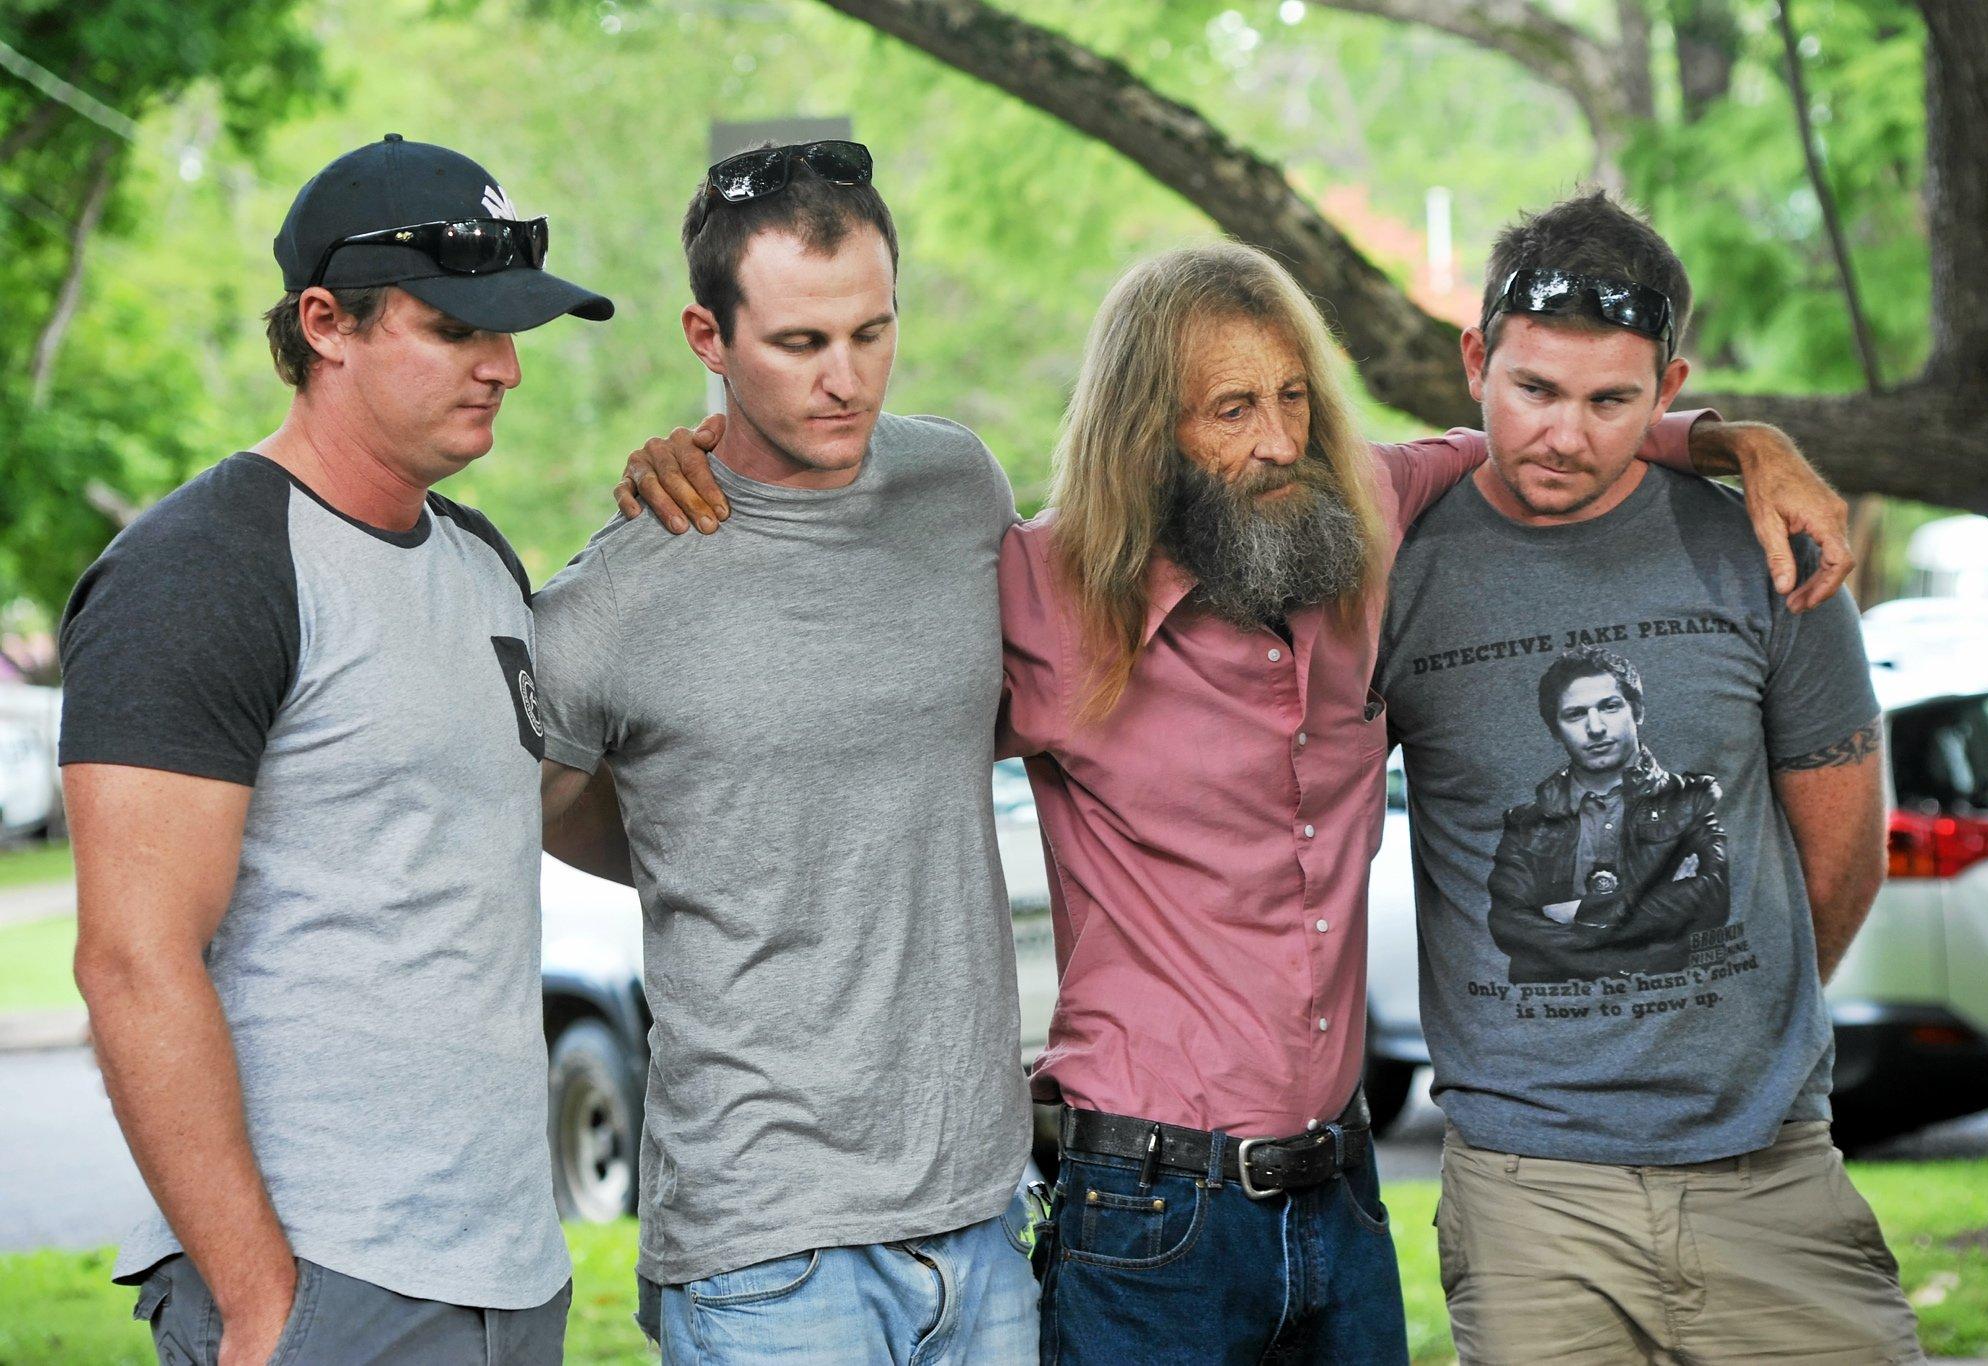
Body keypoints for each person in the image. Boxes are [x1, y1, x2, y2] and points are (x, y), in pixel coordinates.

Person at [616, 242, 1851, 1366]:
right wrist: (707, 453)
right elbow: (832, 622)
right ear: (1148, 431)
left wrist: (1735, 441)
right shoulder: (1035, 592)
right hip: (1145, 1210)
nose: (1274, 442)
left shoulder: (1355, 515)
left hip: (1346, 1194)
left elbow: (1535, 437)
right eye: (1229, 410)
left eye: (1291, 399)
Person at [59, 135, 611, 1366]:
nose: (505, 366)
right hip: (328, 1278)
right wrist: (262, 1305)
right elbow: (132, 964)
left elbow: (537, 815)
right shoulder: (205, 570)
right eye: (457, 328)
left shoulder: (479, 562)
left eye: (510, 331)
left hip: (509, 1269)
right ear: (327, 322)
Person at [1378, 190, 1921, 1363]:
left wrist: (1732, 1025)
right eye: (1531, 390)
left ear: (1669, 392)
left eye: (1610, 400)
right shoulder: (1400, 572)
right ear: (1474, 360)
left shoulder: (1762, 553)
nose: (1564, 434)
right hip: (1530, 1193)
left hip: (1768, 1169)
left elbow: (1840, 852)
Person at [532, 141, 1039, 1364]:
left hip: (980, 1210)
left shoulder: (956, 486)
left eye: (871, 332)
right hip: (766, 1240)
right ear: (707, 338)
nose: (846, 379)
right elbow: (533, 807)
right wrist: (701, 848)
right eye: (799, 345)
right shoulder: (619, 590)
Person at [1486, 645, 1731, 982]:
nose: (1596, 727)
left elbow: (1711, 898)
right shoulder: (1527, 822)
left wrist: (1581, 913)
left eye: (1610, 707)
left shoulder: (1689, 800)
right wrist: (1641, 942)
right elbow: (1508, 925)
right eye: (1575, 714)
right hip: (1555, 1011)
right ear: (1555, 730)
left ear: (1638, 712)